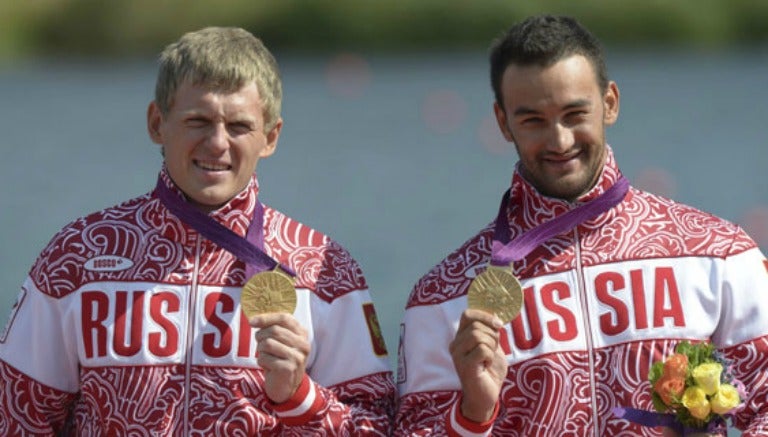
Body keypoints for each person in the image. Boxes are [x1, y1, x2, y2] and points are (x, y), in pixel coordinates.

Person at [0, 27, 395, 435]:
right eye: (198, 121)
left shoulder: (322, 269)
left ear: (270, 137)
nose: (217, 143)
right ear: (158, 123)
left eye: (239, 126)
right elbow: (15, 417)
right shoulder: (77, 256)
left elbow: (377, 428)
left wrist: (299, 396)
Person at [394, 14, 768, 436]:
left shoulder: (718, 253)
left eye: (574, 114)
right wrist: (472, 416)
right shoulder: (444, 295)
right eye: (533, 120)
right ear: (502, 122)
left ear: (610, 103)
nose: (559, 141)